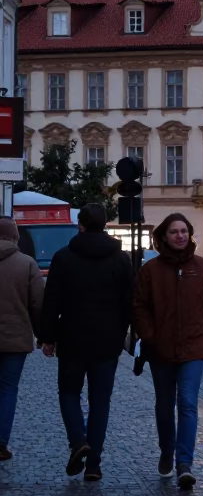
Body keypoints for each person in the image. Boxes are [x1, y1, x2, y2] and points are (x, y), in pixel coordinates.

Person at [133, 213, 203, 491]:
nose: (180, 236)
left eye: (184, 231)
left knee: (187, 403)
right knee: (164, 406)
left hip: (194, 347)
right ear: (164, 236)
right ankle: (166, 452)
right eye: (174, 232)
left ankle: (184, 463)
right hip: (160, 349)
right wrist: (149, 337)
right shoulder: (150, 270)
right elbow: (139, 307)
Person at [39, 204, 133, 481]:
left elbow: (51, 301)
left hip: (72, 338)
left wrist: (47, 337)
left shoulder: (64, 257)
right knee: (100, 401)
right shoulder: (121, 259)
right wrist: (122, 334)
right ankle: (93, 465)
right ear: (105, 225)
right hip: (107, 341)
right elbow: (129, 302)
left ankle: (78, 440)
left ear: (80, 224)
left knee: (69, 394)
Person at [0, 216, 44, 462]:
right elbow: (38, 304)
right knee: (7, 390)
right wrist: (43, 336)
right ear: (16, 237)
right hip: (15, 339)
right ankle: (1, 443)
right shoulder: (27, 264)